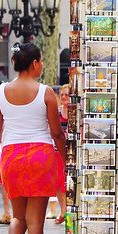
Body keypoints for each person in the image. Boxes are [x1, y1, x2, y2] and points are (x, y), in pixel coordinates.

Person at [0, 43, 67, 234]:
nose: (42, 65)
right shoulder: (45, 93)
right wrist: (66, 161)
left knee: (18, 216)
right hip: (39, 157)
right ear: (34, 63)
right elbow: (56, 133)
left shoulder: (0, 91)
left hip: (11, 157)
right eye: (41, 61)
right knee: (35, 221)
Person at [47, 85, 69, 224]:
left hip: (74, 151)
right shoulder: (56, 112)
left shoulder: (77, 112)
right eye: (61, 95)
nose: (63, 97)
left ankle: (70, 210)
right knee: (60, 183)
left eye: (66, 94)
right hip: (58, 151)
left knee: (70, 182)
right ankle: (63, 210)